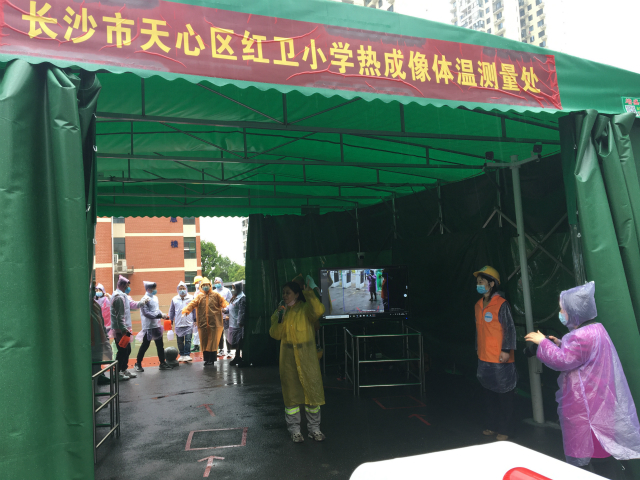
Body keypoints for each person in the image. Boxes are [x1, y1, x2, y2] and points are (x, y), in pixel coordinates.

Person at [525, 282, 640, 478]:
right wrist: (560, 343)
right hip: (598, 400)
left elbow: (562, 361)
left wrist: (542, 342)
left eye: (562, 309)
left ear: (574, 310)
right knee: (600, 452)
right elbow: (580, 356)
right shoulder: (596, 329)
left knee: (588, 454)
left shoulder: (580, 336)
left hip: (585, 406)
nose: (561, 313)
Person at [269, 279, 326, 443]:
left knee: (312, 395)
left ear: (296, 294)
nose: (285, 296)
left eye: (288, 293)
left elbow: (319, 310)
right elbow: (275, 334)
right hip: (288, 362)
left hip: (307, 360)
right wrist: (280, 318)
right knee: (291, 398)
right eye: (283, 293)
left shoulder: (306, 309)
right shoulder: (280, 312)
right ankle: (295, 431)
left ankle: (314, 429)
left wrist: (309, 293)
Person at [473, 266, 517, 441]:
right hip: (484, 356)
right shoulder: (478, 305)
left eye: (482, 282)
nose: (479, 284)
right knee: (488, 393)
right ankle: (492, 425)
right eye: (478, 282)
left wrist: (506, 350)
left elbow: (509, 329)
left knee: (504, 394)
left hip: (500, 357)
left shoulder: (501, 304)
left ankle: (505, 429)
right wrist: (477, 348)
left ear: (492, 284)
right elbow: (478, 330)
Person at [182, 277, 229, 366]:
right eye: (203, 285)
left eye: (207, 285)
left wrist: (227, 308)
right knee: (204, 341)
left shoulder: (216, 295)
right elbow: (192, 303)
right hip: (203, 324)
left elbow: (224, 302)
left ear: (210, 285)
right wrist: (186, 311)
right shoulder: (199, 296)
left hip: (214, 323)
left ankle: (212, 360)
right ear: (201, 286)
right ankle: (207, 359)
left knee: (213, 341)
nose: (205, 287)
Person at [135, 281, 172, 372]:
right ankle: (138, 363)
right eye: (153, 288)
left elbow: (156, 309)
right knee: (145, 345)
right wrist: (159, 315)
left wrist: (162, 314)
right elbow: (146, 313)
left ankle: (162, 363)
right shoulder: (144, 299)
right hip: (148, 326)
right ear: (148, 289)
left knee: (160, 345)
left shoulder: (155, 298)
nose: (155, 290)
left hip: (156, 325)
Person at [110, 276, 139, 381]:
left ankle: (123, 369)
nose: (128, 288)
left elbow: (131, 306)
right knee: (122, 351)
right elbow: (119, 316)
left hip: (124, 329)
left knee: (127, 350)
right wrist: (123, 329)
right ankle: (117, 373)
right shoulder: (118, 297)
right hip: (120, 330)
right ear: (122, 285)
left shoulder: (123, 296)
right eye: (127, 286)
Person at [170, 281, 195, 362]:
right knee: (180, 341)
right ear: (178, 290)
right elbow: (172, 311)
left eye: (183, 288)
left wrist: (195, 319)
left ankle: (187, 354)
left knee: (188, 340)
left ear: (186, 289)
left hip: (189, 323)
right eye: (180, 289)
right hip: (178, 323)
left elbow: (194, 310)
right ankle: (182, 354)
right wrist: (171, 321)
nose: (182, 290)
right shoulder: (174, 299)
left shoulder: (191, 298)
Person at [224, 281, 246, 366]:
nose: (233, 289)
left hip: (238, 323)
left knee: (239, 341)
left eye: (234, 288)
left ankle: (238, 357)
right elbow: (231, 307)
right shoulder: (234, 297)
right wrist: (225, 310)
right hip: (232, 323)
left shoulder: (242, 297)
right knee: (234, 341)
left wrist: (240, 321)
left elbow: (241, 311)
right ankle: (237, 356)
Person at [214, 277, 233, 357]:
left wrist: (228, 314)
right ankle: (221, 350)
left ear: (222, 282)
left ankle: (229, 350)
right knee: (219, 334)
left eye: (218, 282)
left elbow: (230, 303)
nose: (217, 284)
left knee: (227, 333)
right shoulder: (213, 292)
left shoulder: (227, 291)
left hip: (226, 317)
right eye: (216, 283)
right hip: (217, 317)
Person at [191, 275, 203, 353]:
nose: (196, 284)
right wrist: (194, 318)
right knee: (195, 331)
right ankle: (196, 345)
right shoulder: (195, 293)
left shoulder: (204, 292)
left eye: (197, 282)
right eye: (195, 283)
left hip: (204, 315)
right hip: (197, 314)